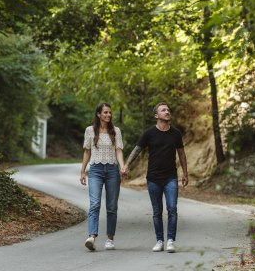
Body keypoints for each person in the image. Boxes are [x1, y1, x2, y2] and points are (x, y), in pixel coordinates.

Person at [121, 102, 188, 253]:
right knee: (157, 211)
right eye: (163, 110)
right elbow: (137, 150)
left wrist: (185, 173)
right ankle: (159, 240)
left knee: (172, 209)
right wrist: (126, 165)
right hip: (153, 179)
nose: (167, 111)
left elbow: (182, 154)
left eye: (168, 109)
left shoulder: (176, 134)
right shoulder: (149, 133)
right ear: (156, 115)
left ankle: (170, 240)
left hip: (170, 177)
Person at [80, 102, 125, 251]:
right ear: (98, 114)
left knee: (112, 207)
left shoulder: (116, 131)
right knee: (95, 203)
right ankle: (92, 237)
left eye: (110, 113)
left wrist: (122, 166)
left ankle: (110, 239)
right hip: (95, 170)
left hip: (112, 170)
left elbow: (118, 150)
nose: (108, 115)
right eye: (105, 112)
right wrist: (83, 171)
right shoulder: (90, 130)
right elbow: (87, 151)